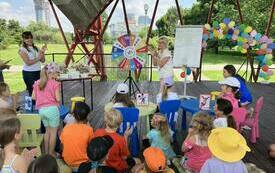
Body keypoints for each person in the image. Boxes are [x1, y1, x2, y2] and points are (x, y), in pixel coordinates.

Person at [32, 62, 60, 157]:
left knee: (47, 131)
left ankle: (46, 152)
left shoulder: (37, 83)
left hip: (42, 111)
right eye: (56, 72)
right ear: (51, 73)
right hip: (52, 110)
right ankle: (51, 153)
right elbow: (58, 98)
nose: (57, 74)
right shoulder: (55, 83)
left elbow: (33, 97)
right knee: (53, 133)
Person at [60, 102, 94, 170]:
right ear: (87, 116)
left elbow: (62, 146)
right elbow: (92, 146)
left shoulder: (66, 128)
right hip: (84, 163)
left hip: (68, 162)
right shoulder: (89, 129)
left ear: (73, 115)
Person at [19, 31, 46, 96]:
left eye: (31, 37)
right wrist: (38, 58)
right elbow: (28, 62)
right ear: (23, 39)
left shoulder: (36, 48)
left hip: (38, 72)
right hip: (29, 74)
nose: (29, 39)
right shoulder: (22, 50)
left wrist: (42, 52)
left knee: (40, 91)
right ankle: (33, 106)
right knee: (33, 93)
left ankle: (40, 105)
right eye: (27, 38)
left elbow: (43, 61)